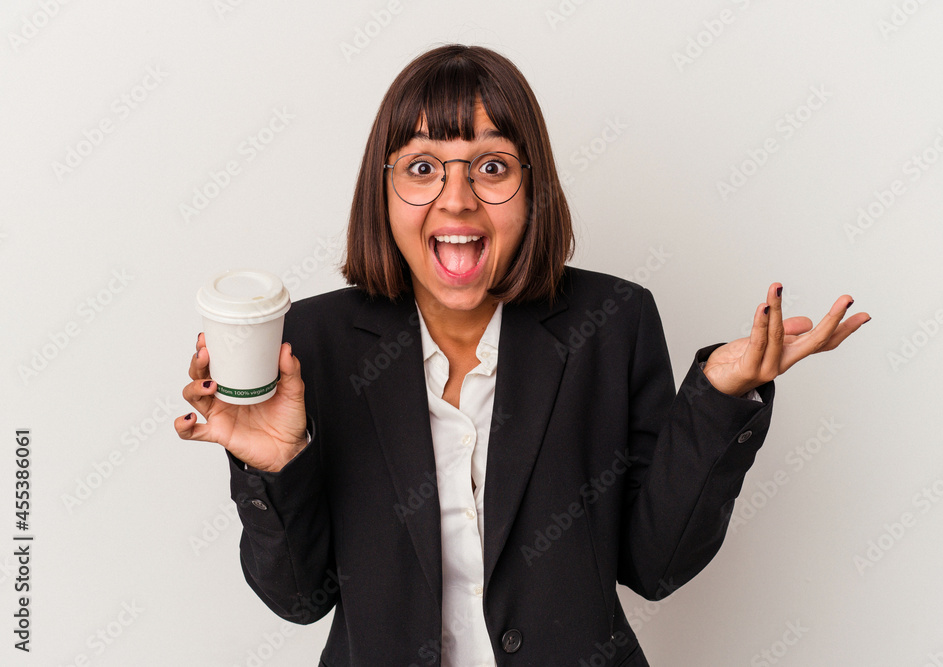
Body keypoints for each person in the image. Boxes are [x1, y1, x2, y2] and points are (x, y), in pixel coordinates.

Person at [175, 44, 869, 666]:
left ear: (533, 188)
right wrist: (275, 465)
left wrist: (718, 398)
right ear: (381, 191)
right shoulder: (313, 342)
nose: (457, 199)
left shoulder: (613, 321)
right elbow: (301, 598)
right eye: (422, 167)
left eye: (492, 166)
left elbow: (654, 566)